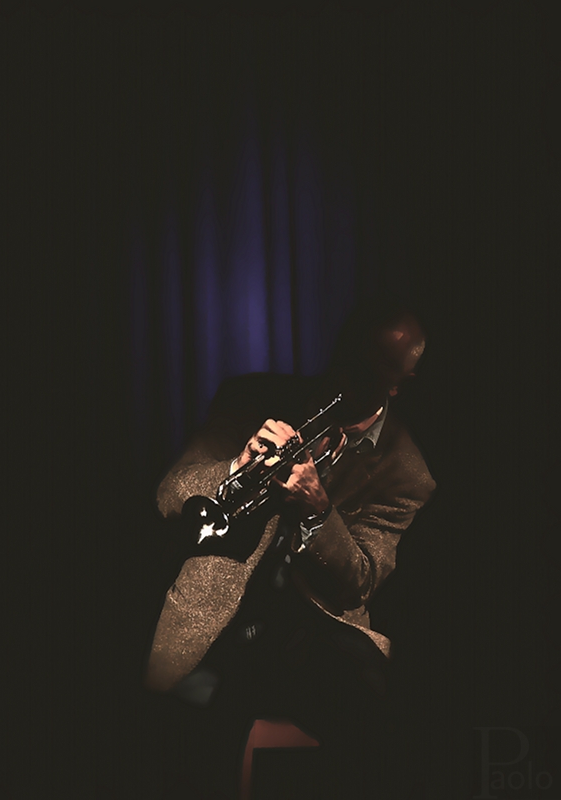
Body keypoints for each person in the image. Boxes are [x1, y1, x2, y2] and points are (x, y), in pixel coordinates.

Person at [145, 302, 436, 798]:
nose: (346, 383)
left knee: (381, 719)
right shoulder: (252, 399)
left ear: (397, 383)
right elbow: (169, 494)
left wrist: (319, 511)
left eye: (369, 373)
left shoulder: (407, 473)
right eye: (347, 360)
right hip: (221, 610)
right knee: (188, 727)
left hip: (313, 628)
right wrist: (236, 467)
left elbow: (360, 580)